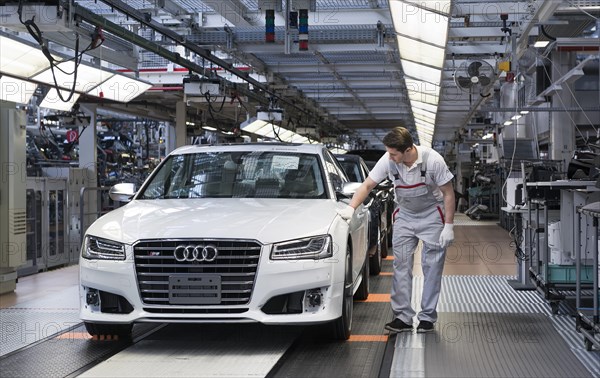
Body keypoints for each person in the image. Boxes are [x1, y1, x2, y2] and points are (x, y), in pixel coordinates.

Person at [337, 126, 455, 333]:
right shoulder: (388, 160)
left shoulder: (433, 160)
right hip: (406, 216)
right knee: (401, 265)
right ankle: (403, 317)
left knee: (432, 267)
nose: (389, 157)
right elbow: (367, 186)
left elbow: (448, 193)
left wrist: (449, 226)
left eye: (393, 153)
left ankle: (427, 317)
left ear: (408, 150)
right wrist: (350, 207)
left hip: (432, 216)